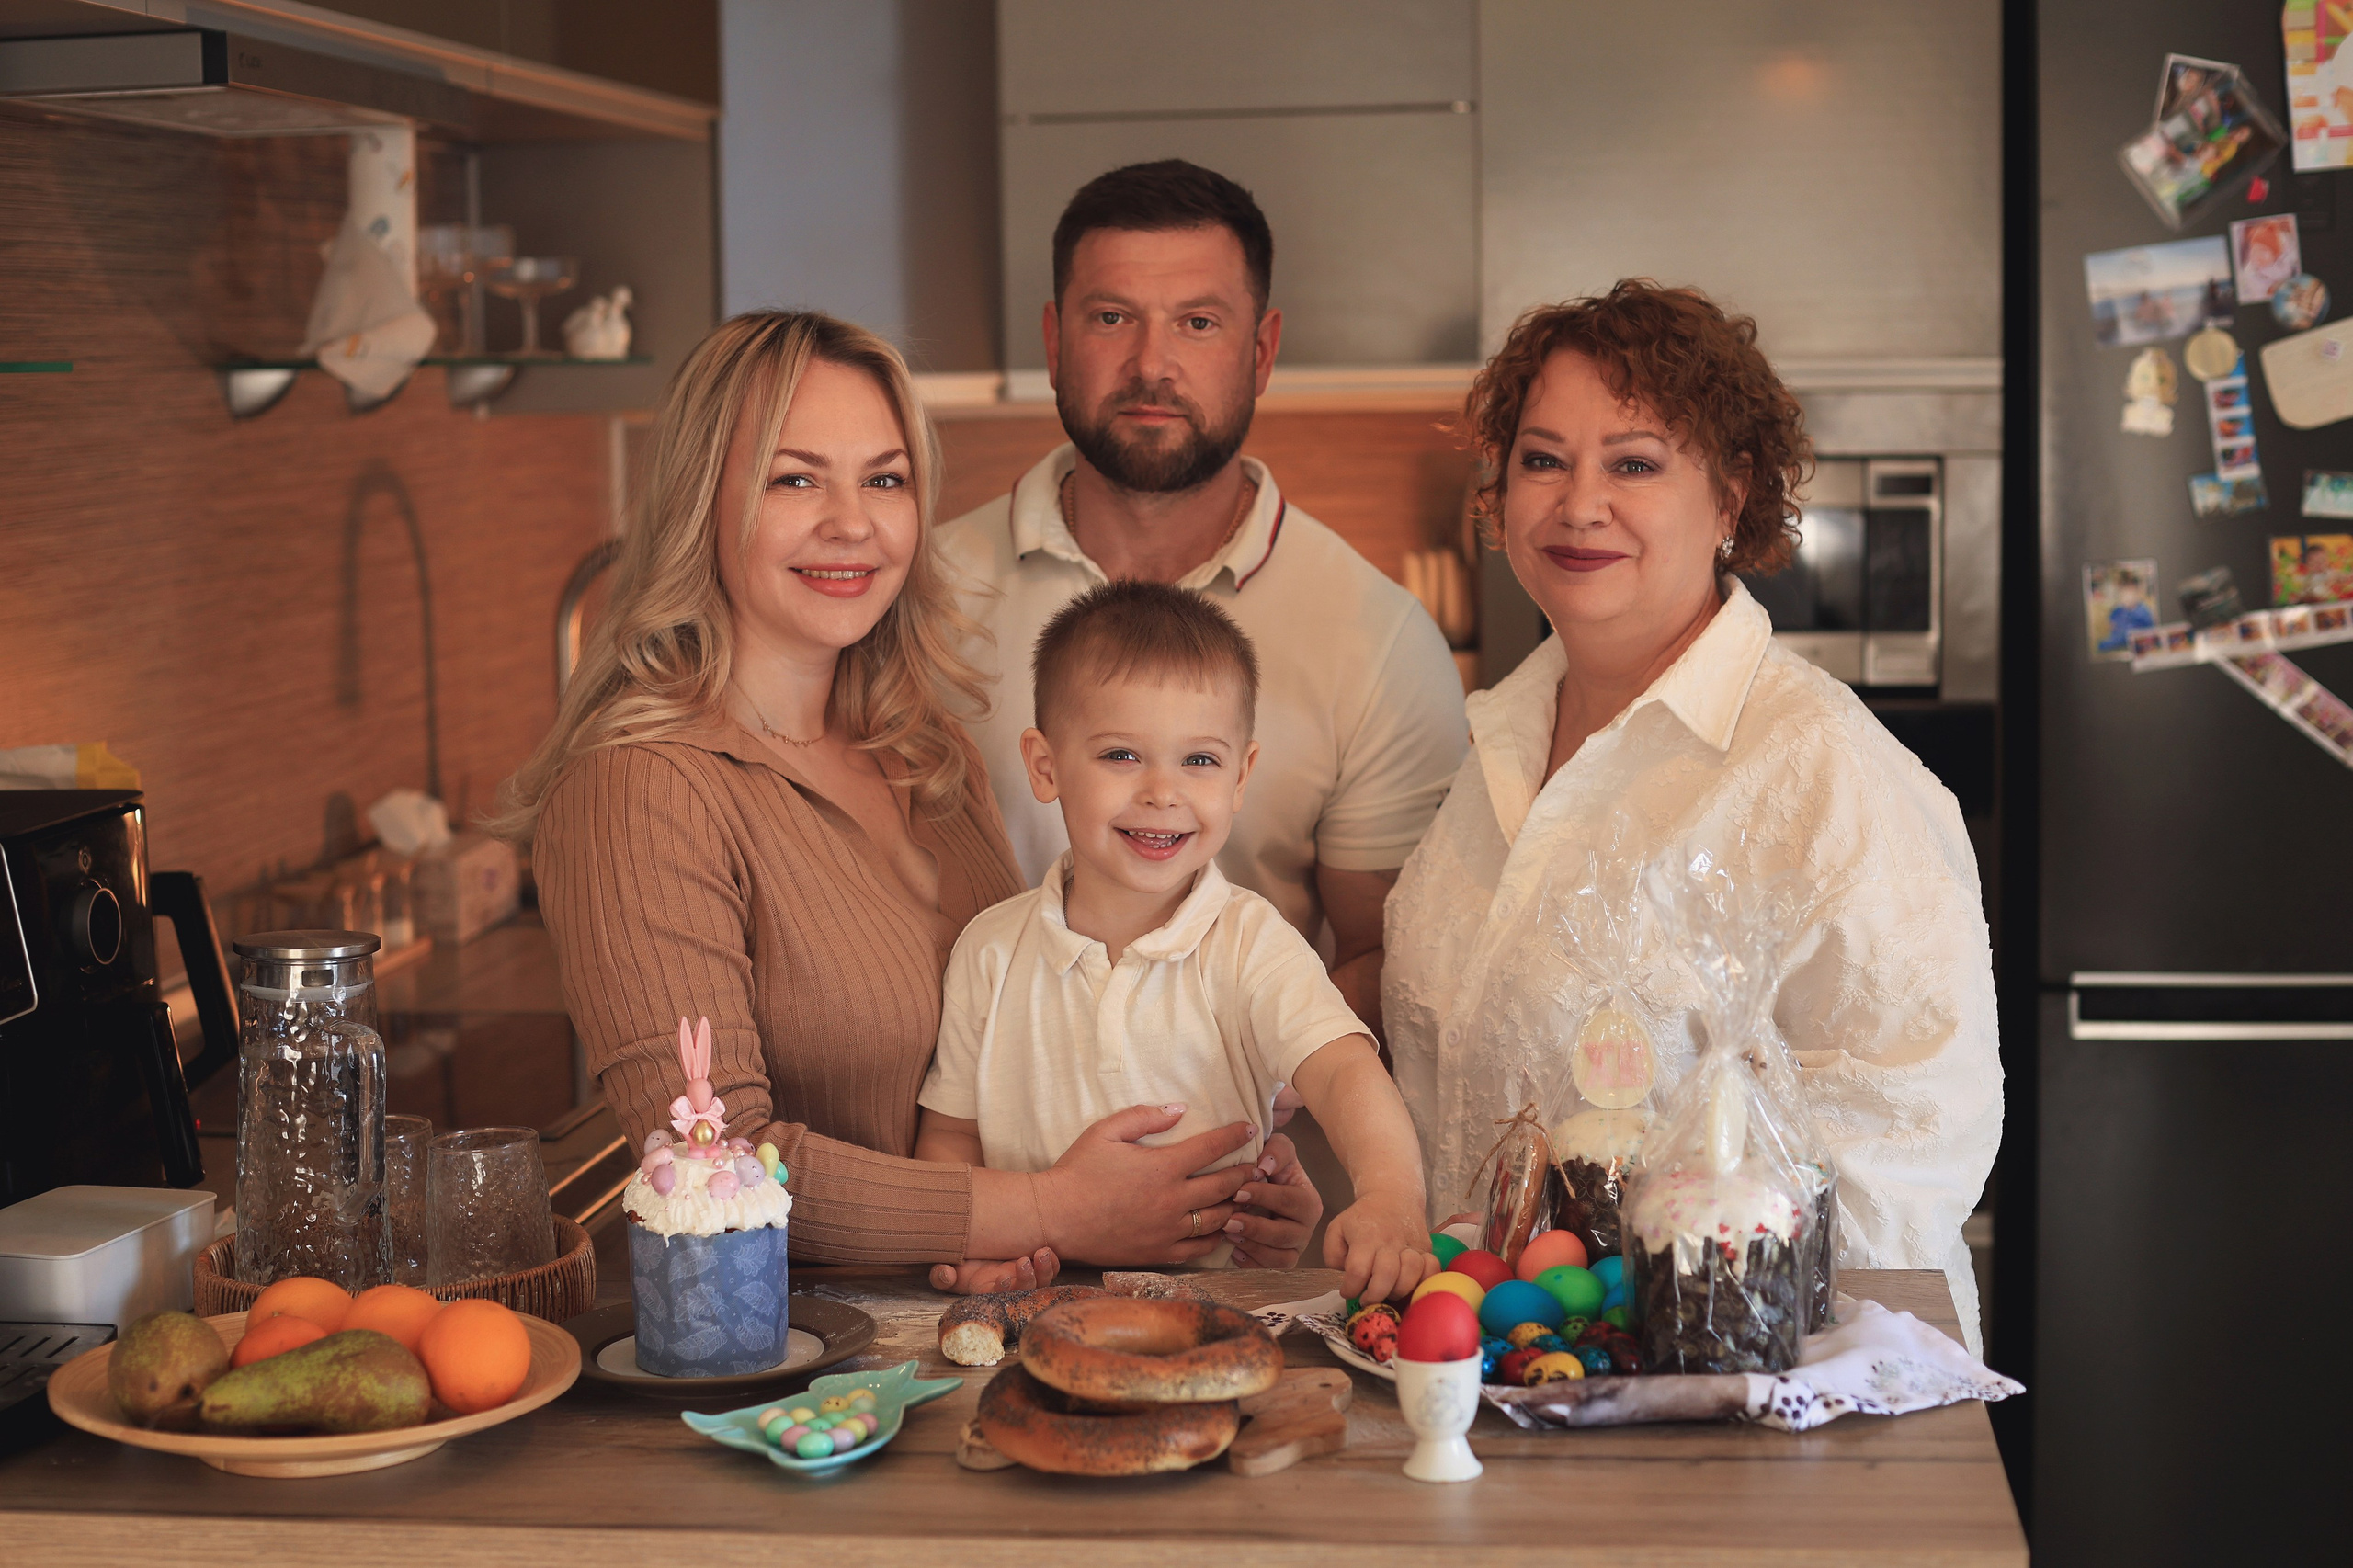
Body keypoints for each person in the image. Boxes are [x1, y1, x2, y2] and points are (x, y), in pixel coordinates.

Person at [496, 310, 1319, 1292]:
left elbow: (1035, 1033)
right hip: (797, 1374)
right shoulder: (639, 785)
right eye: (795, 477)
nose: (853, 522)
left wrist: (1213, 1186)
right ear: (700, 498)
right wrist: (1054, 1206)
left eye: (884, 478)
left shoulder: (925, 750)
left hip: (992, 1331)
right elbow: (712, 1160)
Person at [1382, 281, 2003, 1351]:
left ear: (1729, 496)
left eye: (1633, 462)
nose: (1578, 504)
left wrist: (1723, 1342)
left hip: (1741, 1385)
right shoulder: (1494, 745)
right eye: (1542, 459)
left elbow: (1912, 1135)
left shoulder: (1821, 767)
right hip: (1521, 1369)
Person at [934, 160, 1467, 1031]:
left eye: (1198, 322)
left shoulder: (1379, 641)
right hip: (974, 1147)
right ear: (1055, 340)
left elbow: (1388, 958)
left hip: (1243, 1156)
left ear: (1261, 352)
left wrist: (1220, 1088)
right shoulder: (921, 598)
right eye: (1112, 318)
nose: (1153, 364)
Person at [915, 583, 1435, 1301]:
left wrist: (1390, 1197)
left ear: (1242, 775)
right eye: (1122, 755)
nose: (1163, 792)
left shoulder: (1252, 943)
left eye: (1199, 761)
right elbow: (950, 1140)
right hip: (1025, 1312)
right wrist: (967, 1245)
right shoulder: (989, 951)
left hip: (1219, 1315)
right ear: (1045, 766)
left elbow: (1345, 1072)